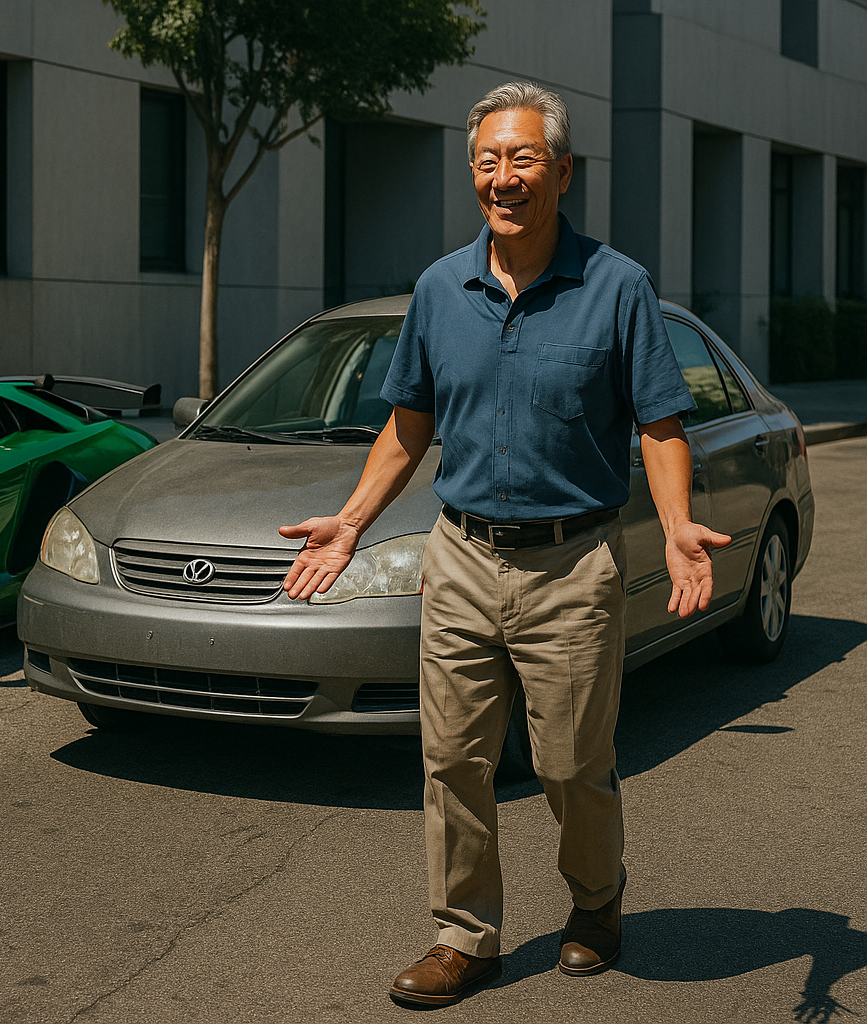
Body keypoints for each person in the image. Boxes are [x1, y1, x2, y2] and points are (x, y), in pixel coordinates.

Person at [278, 81, 730, 1009]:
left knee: (570, 764)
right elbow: (407, 426)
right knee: (452, 761)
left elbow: (660, 423)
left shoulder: (618, 287)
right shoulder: (441, 289)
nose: (503, 177)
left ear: (563, 172)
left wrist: (679, 526)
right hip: (461, 559)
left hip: (573, 564)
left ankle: (597, 904)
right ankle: (464, 937)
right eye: (486, 161)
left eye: (522, 160)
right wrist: (353, 519)